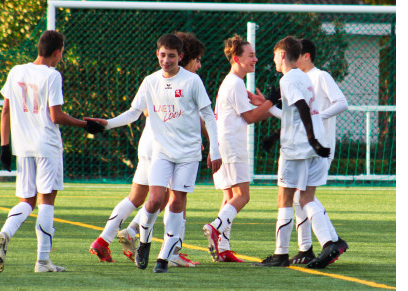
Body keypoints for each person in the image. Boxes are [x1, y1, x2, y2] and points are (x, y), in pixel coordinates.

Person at [85, 33, 222, 273]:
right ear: (157, 54)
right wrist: (106, 123)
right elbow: (133, 113)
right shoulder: (150, 81)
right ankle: (145, 243)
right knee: (154, 200)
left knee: (177, 201)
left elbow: (208, 115)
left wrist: (215, 149)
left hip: (189, 154)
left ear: (180, 56)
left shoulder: (192, 81)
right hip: (160, 152)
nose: (166, 60)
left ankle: (164, 256)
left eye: (171, 56)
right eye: (163, 55)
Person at [0, 30, 105, 273]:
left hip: (23, 148)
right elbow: (56, 116)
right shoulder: (52, 76)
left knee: (27, 201)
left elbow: (5, 111)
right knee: (47, 202)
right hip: (47, 146)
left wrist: (4, 146)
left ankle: (5, 233)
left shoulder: (16, 71)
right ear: (57, 51)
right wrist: (87, 125)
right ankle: (42, 262)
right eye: (62, 52)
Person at [253, 36, 341, 268]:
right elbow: (294, 115)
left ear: (282, 55)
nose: (272, 60)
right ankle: (330, 242)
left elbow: (301, 107)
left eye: (274, 55)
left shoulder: (289, 79)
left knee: (285, 199)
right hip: (310, 147)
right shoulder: (304, 77)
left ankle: (281, 254)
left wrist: (311, 139)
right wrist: (274, 137)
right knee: (305, 198)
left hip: (297, 149)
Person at [202, 34, 278, 263]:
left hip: (224, 144)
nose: (255, 59)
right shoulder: (235, 83)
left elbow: (225, 116)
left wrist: (213, 147)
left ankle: (223, 248)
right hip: (232, 146)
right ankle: (215, 227)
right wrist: (271, 102)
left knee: (229, 198)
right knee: (242, 196)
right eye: (251, 55)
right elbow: (251, 117)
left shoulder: (231, 82)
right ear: (236, 58)